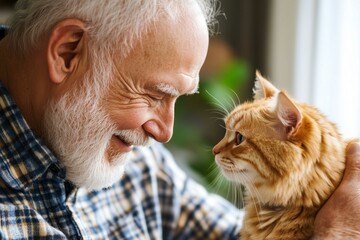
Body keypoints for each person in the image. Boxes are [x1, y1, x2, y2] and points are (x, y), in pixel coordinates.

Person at [0, 0, 359, 239]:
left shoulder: (136, 161)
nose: (164, 134)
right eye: (155, 95)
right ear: (68, 52)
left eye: (176, 99)